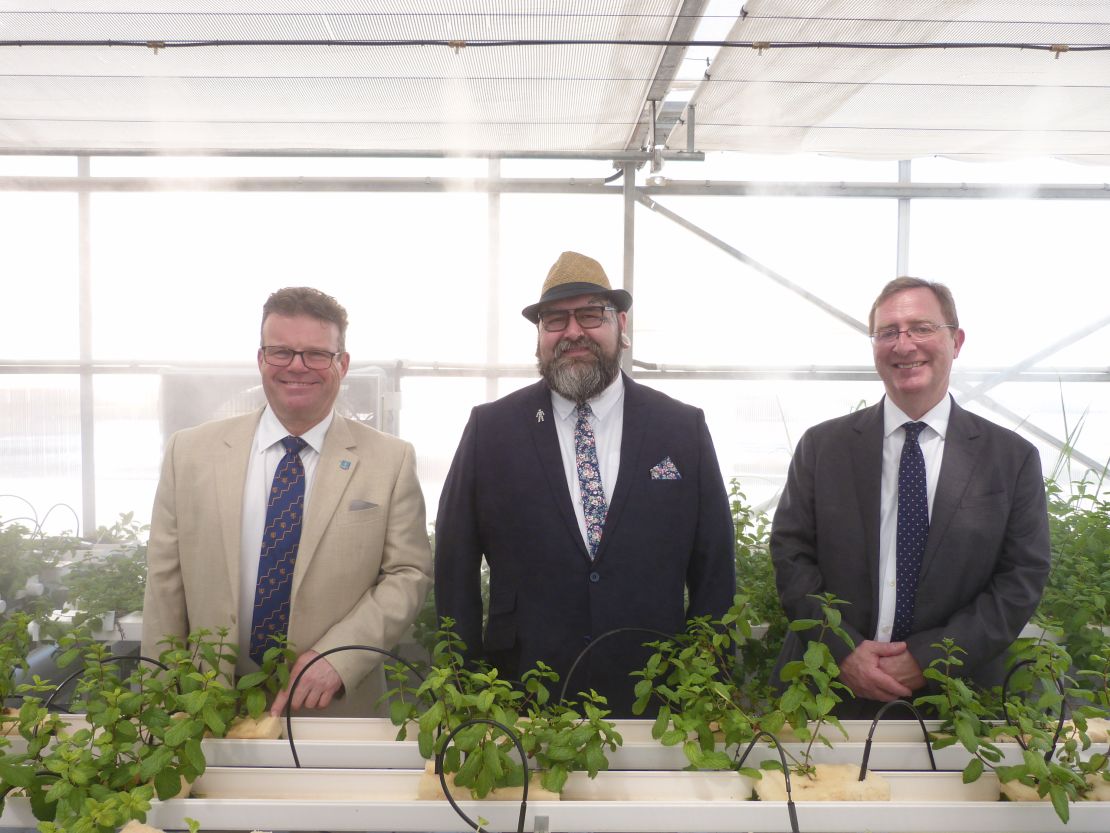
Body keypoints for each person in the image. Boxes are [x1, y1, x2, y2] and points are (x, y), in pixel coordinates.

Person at [434, 251, 735, 716]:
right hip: (520, 694)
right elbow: (455, 566)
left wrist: (706, 683)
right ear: (539, 338)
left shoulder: (680, 428)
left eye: (590, 314)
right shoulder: (492, 430)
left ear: (621, 325)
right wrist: (464, 686)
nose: (573, 331)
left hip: (656, 697)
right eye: (555, 320)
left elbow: (714, 570)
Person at [142, 287, 433, 717]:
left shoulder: (389, 461)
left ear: (342, 364)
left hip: (336, 706)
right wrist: (161, 699)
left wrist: (339, 657)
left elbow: (408, 574)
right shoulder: (190, 454)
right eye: (281, 352)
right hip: (206, 702)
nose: (297, 367)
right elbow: (164, 583)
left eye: (316, 354)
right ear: (261, 359)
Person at [771, 277, 1051, 716]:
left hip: (957, 698)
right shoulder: (823, 447)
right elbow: (791, 554)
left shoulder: (1010, 459)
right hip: (824, 688)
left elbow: (1021, 578)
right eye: (888, 332)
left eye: (921, 327)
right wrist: (844, 651)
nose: (903, 345)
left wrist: (926, 660)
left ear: (955, 341)